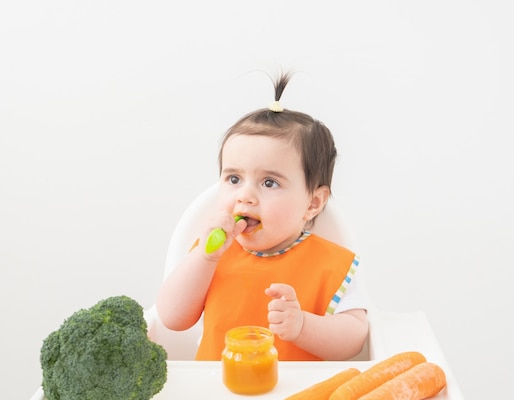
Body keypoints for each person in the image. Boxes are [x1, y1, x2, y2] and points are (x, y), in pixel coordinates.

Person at [156, 72, 369, 360]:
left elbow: (355, 340)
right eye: (234, 179)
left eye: (269, 183)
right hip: (217, 394)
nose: (245, 195)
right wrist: (205, 259)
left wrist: (304, 326)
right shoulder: (211, 253)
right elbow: (171, 318)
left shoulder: (331, 264)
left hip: (296, 399)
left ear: (313, 203)